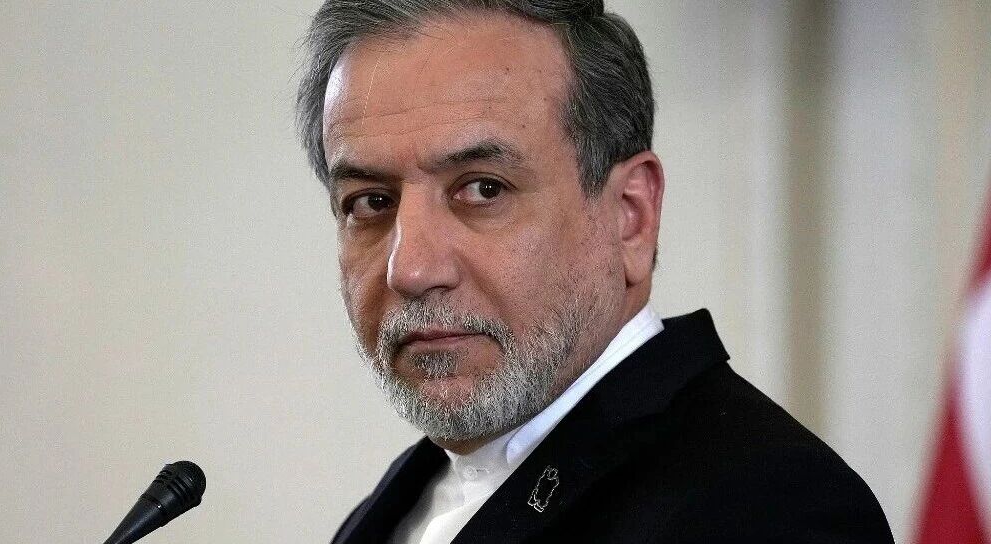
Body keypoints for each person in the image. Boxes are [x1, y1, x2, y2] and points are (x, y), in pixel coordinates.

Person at [295, 1, 894, 543]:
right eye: (370, 201)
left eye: (483, 189)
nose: (410, 269)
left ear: (630, 217)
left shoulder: (769, 510)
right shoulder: (399, 505)